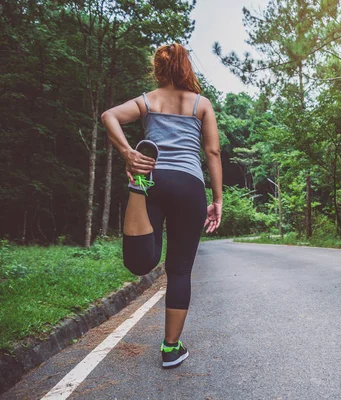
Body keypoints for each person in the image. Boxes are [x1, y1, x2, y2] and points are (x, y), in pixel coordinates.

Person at [101, 43, 222, 369]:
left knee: (142, 263)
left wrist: (128, 153)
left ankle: (137, 187)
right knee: (179, 269)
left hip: (154, 178)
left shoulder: (148, 100)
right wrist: (217, 200)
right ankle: (171, 347)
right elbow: (212, 153)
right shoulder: (201, 104)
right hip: (189, 184)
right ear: (187, 67)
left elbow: (108, 116)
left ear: (159, 68)